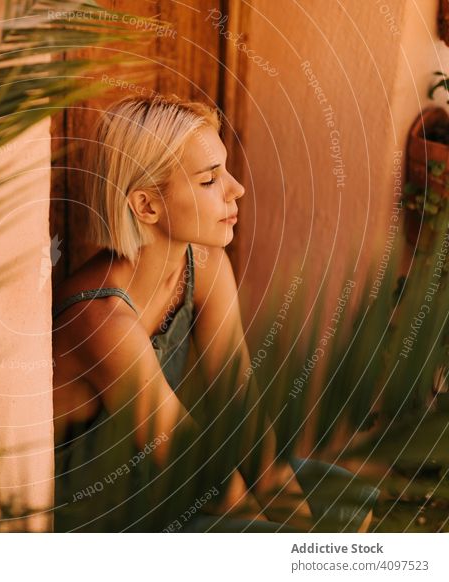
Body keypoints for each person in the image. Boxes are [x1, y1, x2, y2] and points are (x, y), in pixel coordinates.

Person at [51, 94, 378, 532]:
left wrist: (288, 502)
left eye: (223, 169)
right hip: (100, 515)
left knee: (346, 499)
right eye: (209, 180)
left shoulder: (202, 264)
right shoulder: (99, 320)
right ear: (146, 206)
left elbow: (240, 404)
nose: (235, 188)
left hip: (158, 478)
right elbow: (198, 473)